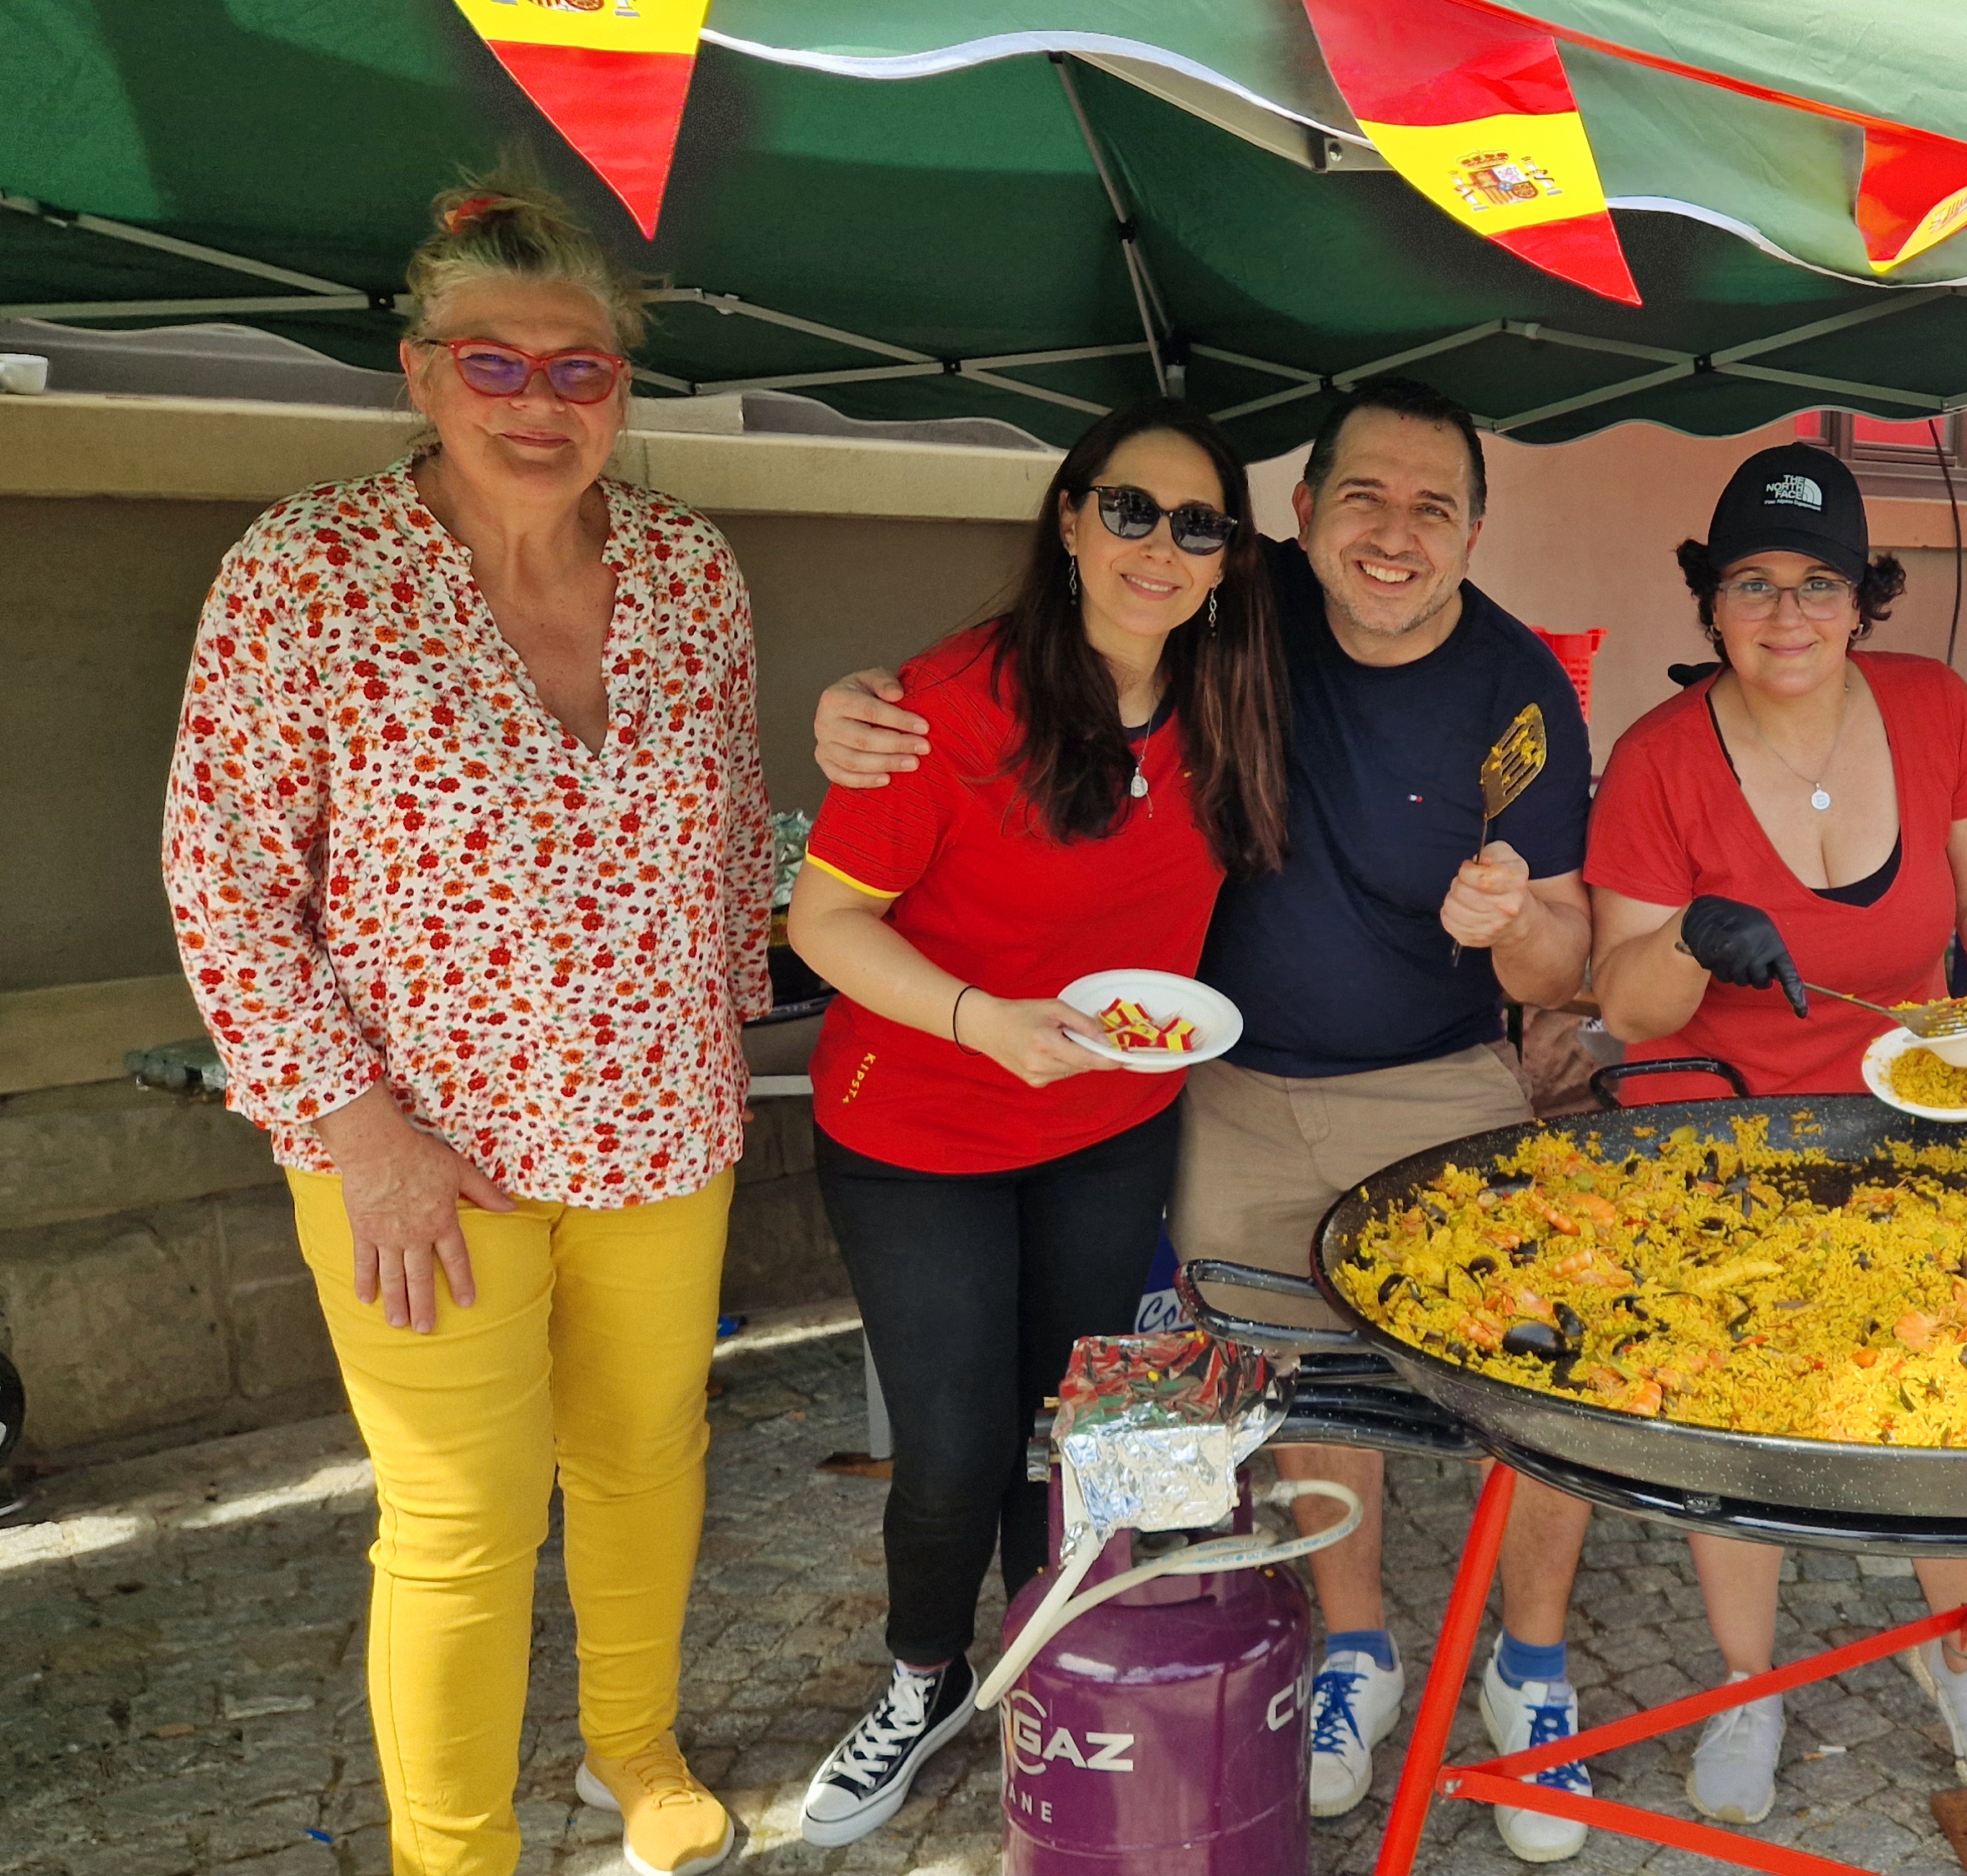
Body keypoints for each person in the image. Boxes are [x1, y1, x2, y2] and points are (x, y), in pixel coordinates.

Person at [810, 378, 1607, 1863]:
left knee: (1532, 1376)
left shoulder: (1509, 689)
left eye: (1434, 505)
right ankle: (1335, 1653)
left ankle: (1532, 1662)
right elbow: (1002, 696)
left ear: (1476, 530)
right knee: (1267, 1388)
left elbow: (1563, 952)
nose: (1394, 532)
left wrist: (1513, 928)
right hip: (1195, 1093)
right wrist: (862, 706)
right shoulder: (1232, 620)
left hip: (1402, 1083)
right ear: (1297, 520)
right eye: (1361, 494)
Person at [160, 180, 766, 1876]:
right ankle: (454, 1854)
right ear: (419, 375)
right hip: (416, 1153)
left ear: (620, 398)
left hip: (659, 1126)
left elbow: (728, 830)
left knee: (648, 1459)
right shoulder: (309, 572)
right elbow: (220, 878)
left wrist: (760, 985)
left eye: (578, 375)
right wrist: (358, 1133)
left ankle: (629, 1748)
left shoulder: (690, 570)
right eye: (492, 367)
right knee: (458, 1524)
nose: (537, 405)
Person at [784, 403, 1290, 1844]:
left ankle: (1042, 1652)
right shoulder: (942, 705)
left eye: (1200, 526)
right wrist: (983, 1021)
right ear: (1068, 518)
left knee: (1066, 1435)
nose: (1163, 547)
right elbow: (824, 920)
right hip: (922, 1126)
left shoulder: (1228, 696)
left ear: (1228, 562)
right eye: (1131, 509)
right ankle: (923, 1679)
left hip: (1108, 1123)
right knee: (954, 1441)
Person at [1584, 443, 1967, 1824]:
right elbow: (1619, 1000)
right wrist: (1688, 938)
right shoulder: (1659, 760)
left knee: (1943, 1403)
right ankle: (1748, 1680)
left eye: (1818, 583)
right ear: (1710, 601)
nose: (1785, 613)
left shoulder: (1933, 709)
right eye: (1752, 583)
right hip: (1710, 1126)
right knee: (1734, 1413)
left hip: (1901, 1106)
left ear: (1863, 600)